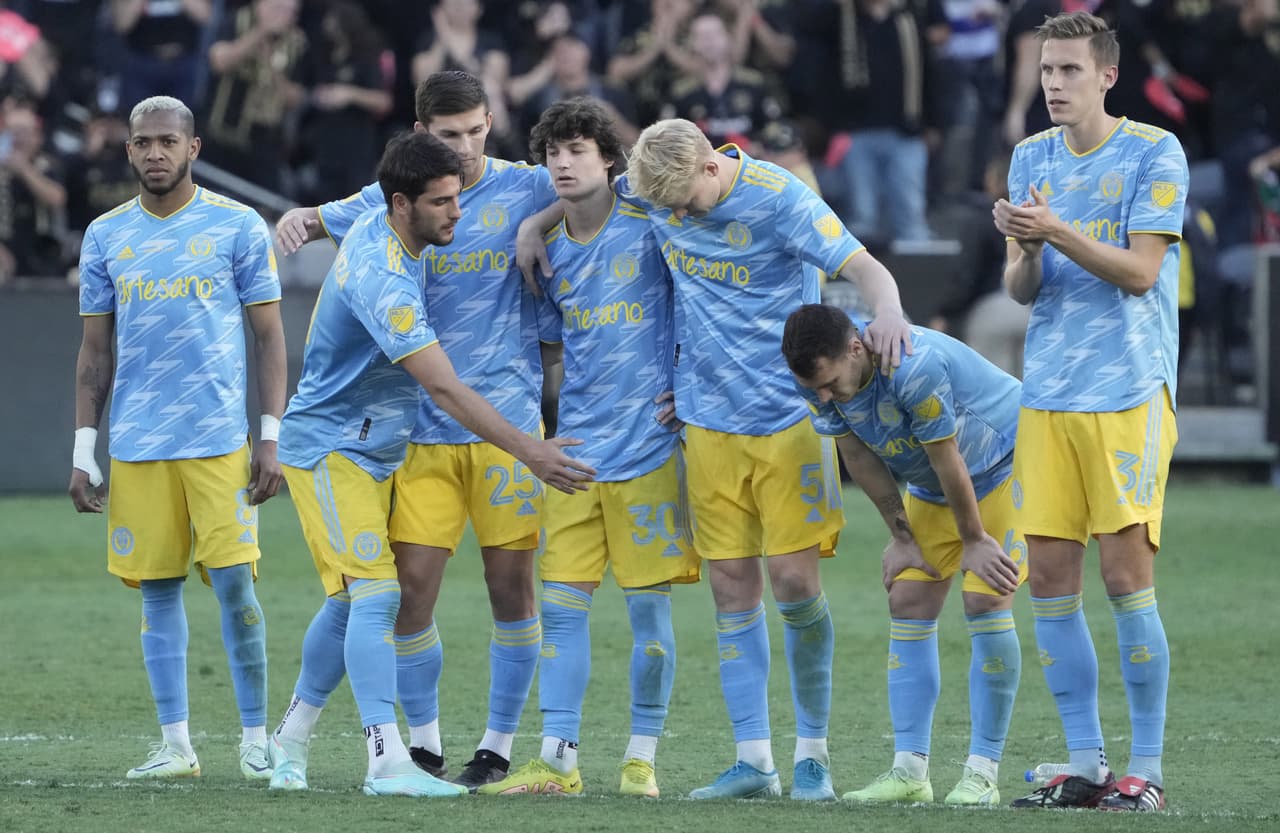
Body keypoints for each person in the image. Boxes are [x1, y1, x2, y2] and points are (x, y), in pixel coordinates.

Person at [517, 117, 913, 800]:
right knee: (731, 588)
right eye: (661, 205)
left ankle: (812, 755)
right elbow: (599, 192)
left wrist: (891, 311)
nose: (671, 216)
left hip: (790, 419)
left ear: (709, 167)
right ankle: (754, 759)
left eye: (681, 204)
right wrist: (534, 225)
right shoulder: (657, 189)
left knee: (793, 583)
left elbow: (862, 264)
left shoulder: (780, 198)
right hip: (705, 424)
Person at [264, 130, 593, 797]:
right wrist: (533, 448)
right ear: (400, 203)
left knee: (347, 602)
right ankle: (387, 760)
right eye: (442, 202)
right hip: (332, 448)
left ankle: (289, 740)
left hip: (374, 445)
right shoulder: (383, 273)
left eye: (459, 197)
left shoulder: (402, 233)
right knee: (380, 594)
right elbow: (442, 386)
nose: (457, 213)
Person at [993, 11, 1188, 812]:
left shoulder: (1154, 151)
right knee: (1050, 580)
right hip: (1047, 395)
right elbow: (1019, 289)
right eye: (1046, 71)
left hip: (1126, 392)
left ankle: (1145, 770)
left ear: (1108, 75)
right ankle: (1086, 764)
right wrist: (1029, 249)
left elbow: (1143, 273)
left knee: (1124, 577)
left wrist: (1057, 232)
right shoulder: (1029, 157)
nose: (1054, 85)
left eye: (1070, 70)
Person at [477, 98, 700, 799]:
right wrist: (533, 226)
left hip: (650, 453)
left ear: (609, 157)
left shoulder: (649, 219)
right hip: (572, 453)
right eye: (553, 153)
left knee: (650, 619)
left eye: (578, 149)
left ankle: (641, 756)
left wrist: (687, 383)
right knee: (564, 612)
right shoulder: (549, 256)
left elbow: (698, 298)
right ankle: (558, 759)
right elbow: (549, 351)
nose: (564, 163)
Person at [69, 95, 286, 781]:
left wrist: (270, 438)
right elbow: (94, 354)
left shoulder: (237, 226)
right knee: (156, 593)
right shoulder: (105, 235)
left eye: (168, 141)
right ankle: (176, 745)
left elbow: (270, 336)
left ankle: (255, 738)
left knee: (236, 592)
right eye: (142, 143)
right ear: (128, 150)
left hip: (218, 440)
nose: (155, 153)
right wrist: (84, 449)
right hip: (136, 445)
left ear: (194, 148)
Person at [782, 304, 1025, 806]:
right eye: (815, 389)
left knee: (985, 601)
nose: (823, 396)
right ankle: (910, 771)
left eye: (829, 383)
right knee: (909, 599)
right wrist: (903, 536)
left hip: (1007, 464)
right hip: (936, 486)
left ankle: (982, 773)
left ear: (855, 349)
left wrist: (976, 539)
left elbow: (947, 454)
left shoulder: (911, 366)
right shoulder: (816, 380)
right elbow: (856, 456)